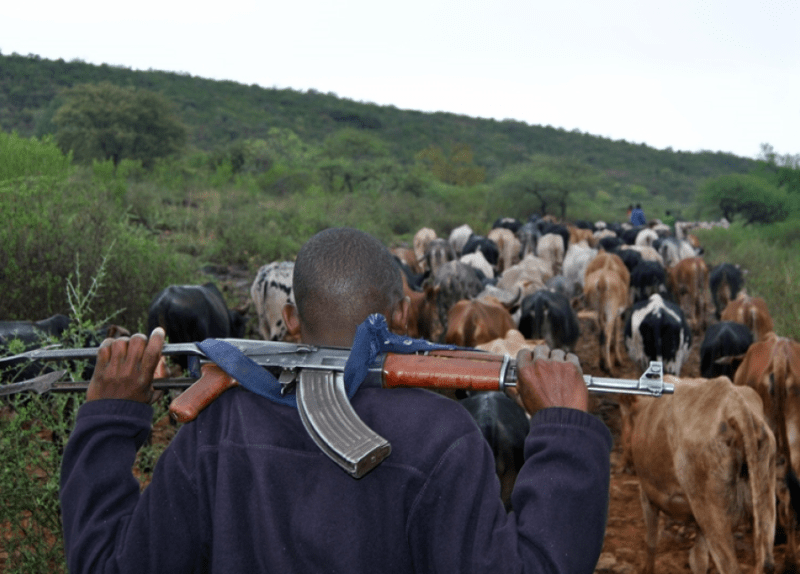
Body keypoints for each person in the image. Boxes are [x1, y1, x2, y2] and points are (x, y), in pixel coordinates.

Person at [60, 227, 612, 573]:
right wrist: (563, 432)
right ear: (401, 316)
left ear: (291, 320)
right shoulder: (444, 437)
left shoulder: (215, 430)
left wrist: (109, 417)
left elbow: (110, 564)